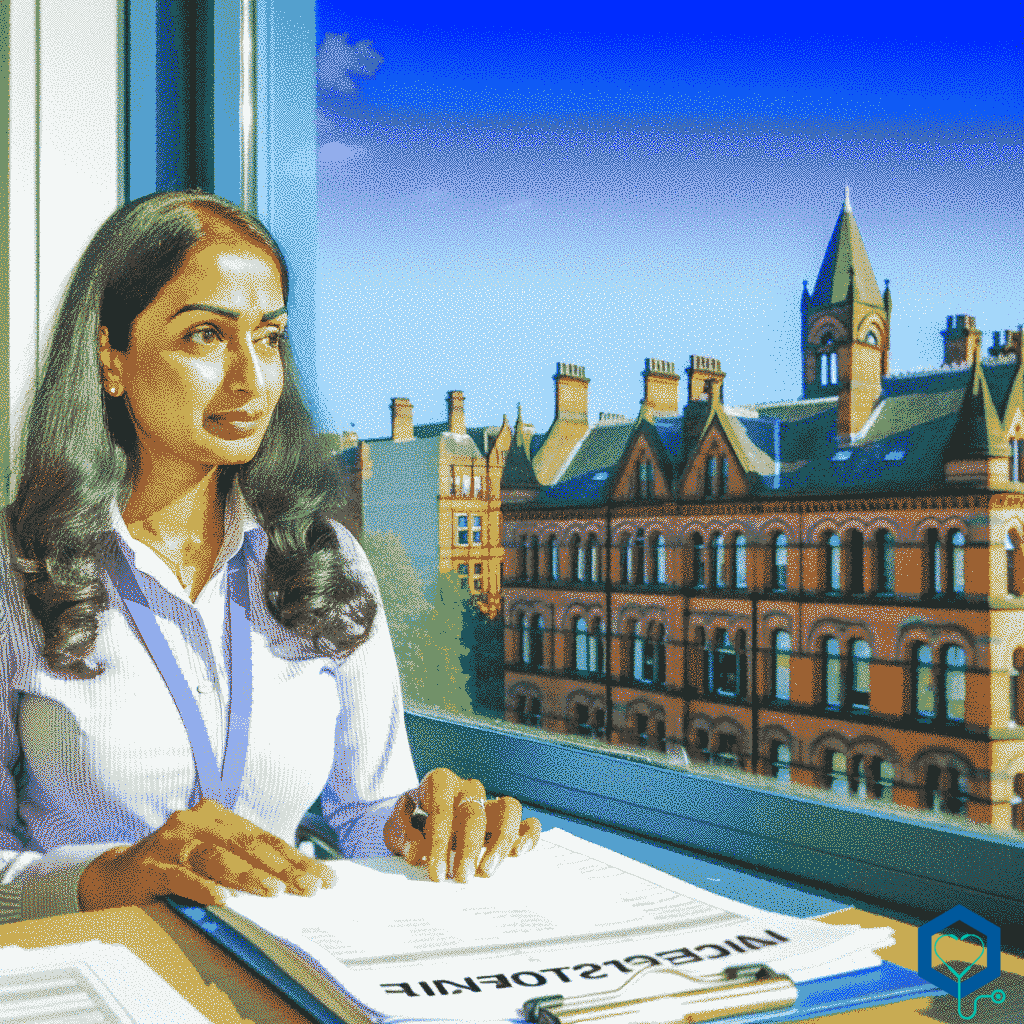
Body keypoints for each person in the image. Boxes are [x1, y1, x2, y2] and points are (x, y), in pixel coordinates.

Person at [0, 191, 540, 924]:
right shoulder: (14, 571)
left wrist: (426, 824)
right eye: (205, 337)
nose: (252, 381)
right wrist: (109, 876)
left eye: (270, 337)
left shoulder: (328, 561)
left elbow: (367, 813)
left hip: (283, 982)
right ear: (111, 358)